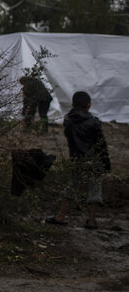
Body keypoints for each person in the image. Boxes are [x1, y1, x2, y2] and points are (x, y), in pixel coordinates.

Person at [45, 91, 111, 229]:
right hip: (94, 160)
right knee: (95, 190)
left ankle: (61, 216)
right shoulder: (94, 122)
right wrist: (106, 164)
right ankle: (92, 221)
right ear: (89, 105)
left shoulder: (68, 121)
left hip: (76, 158)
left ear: (73, 104)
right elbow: (101, 144)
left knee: (71, 186)